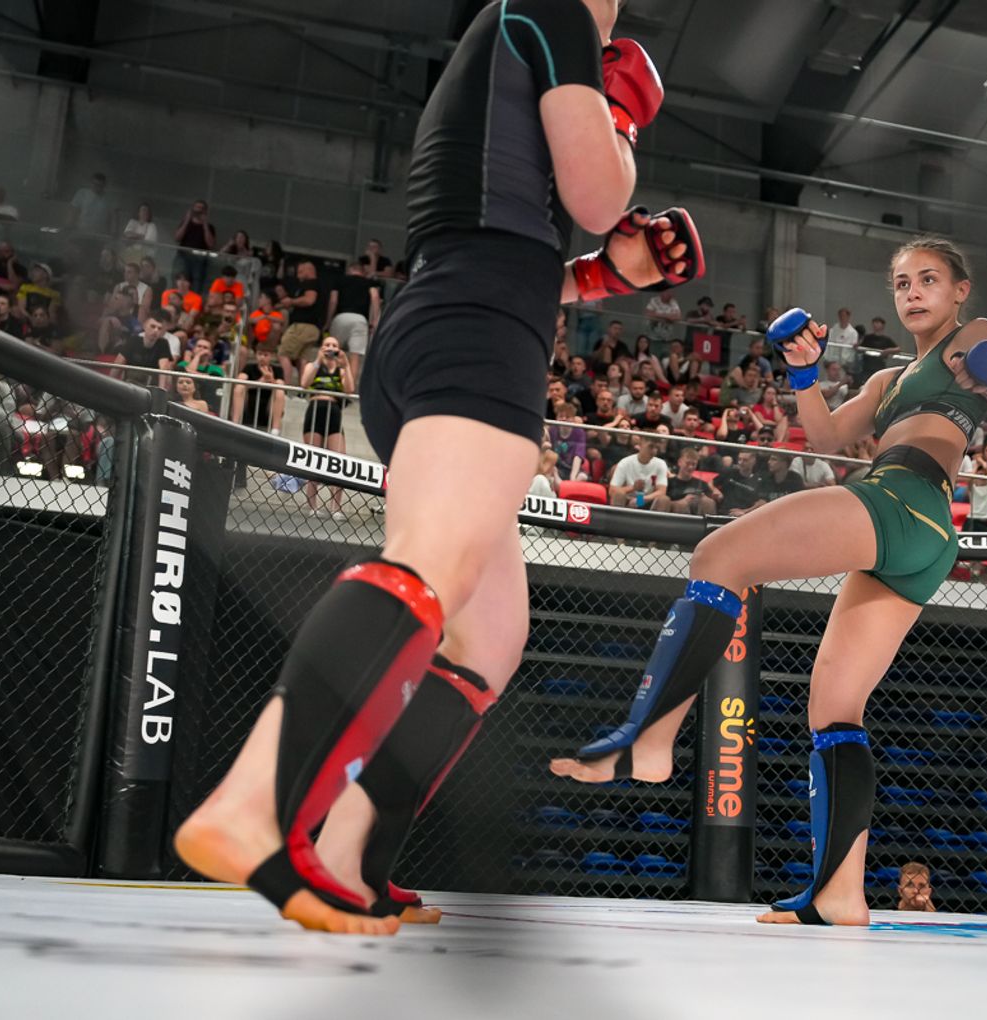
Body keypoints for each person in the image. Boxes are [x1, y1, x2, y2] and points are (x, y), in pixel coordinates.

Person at [175, 0, 695, 935]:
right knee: (426, 569)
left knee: (487, 636)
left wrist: (605, 276)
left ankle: (351, 858)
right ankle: (251, 807)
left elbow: (514, 233)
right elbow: (595, 196)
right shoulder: (556, 10)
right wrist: (620, 122)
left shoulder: (517, 31)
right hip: (476, 328)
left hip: (459, 308)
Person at [550, 234, 987, 926]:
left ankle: (651, 737)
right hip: (916, 531)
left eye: (928, 279)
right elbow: (825, 439)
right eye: (902, 283)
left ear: (960, 290)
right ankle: (840, 894)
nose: (912, 292)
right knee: (835, 710)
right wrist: (805, 372)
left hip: (906, 499)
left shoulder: (977, 338)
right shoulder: (887, 382)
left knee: (718, 557)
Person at [300, 336, 355, 519]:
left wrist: (346, 364)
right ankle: (313, 506)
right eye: (327, 345)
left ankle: (336, 508)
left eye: (334, 345)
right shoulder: (313, 365)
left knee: (339, 460)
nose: (330, 348)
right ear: (321, 347)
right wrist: (318, 359)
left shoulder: (341, 369)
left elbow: (349, 390)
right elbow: (304, 384)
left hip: (334, 412)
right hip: (315, 409)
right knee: (313, 460)